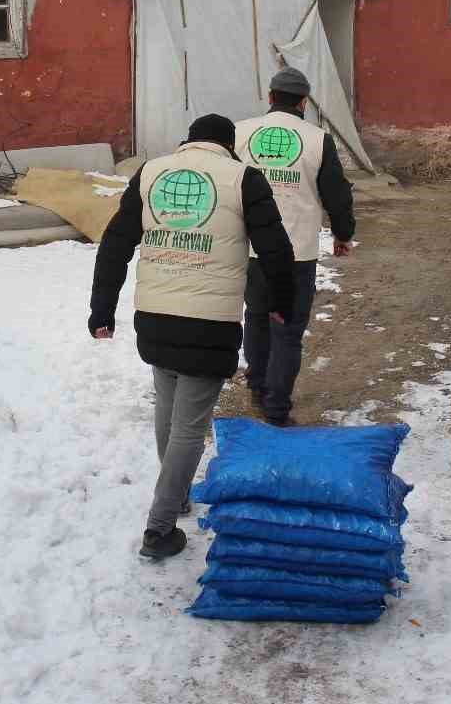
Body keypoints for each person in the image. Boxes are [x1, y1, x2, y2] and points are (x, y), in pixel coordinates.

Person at [89, 114, 297, 560]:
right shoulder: (245, 179)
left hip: (155, 314)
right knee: (188, 427)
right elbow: (276, 250)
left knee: (167, 409)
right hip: (209, 320)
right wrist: (283, 301)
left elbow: (115, 245)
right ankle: (159, 529)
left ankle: (177, 494)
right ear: (229, 145)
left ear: (189, 142)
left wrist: (102, 309)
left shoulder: (149, 173)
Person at [234, 67, 356, 427]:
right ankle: (276, 407)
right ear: (304, 102)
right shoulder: (318, 140)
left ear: (270, 97)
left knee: (255, 318)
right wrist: (343, 233)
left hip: (252, 248)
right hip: (296, 251)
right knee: (286, 329)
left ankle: (257, 386)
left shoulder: (239, 134)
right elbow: (337, 194)